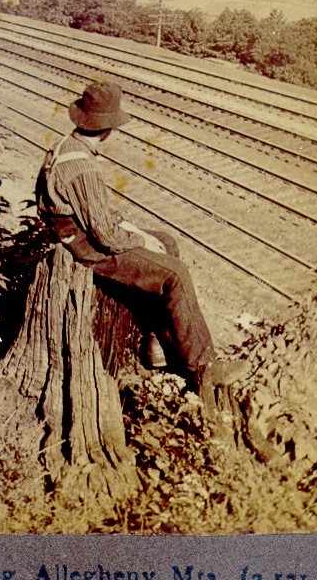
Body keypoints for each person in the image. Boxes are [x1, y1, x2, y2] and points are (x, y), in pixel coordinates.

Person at [35, 79, 248, 399]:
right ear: (107, 128)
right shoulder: (82, 167)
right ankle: (205, 367)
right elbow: (105, 234)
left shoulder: (68, 146)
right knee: (175, 273)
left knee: (167, 241)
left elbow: (97, 215)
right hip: (86, 247)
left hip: (81, 231)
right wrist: (139, 242)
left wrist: (142, 233)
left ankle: (158, 344)